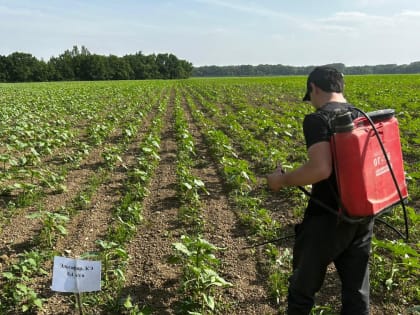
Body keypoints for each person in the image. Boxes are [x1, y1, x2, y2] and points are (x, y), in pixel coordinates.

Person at [266, 66, 374, 315]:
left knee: (301, 291)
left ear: (313, 88)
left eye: (310, 95)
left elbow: (320, 169)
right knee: (356, 293)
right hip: (361, 215)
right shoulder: (360, 115)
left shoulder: (318, 119)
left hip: (327, 218)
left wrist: (280, 181)